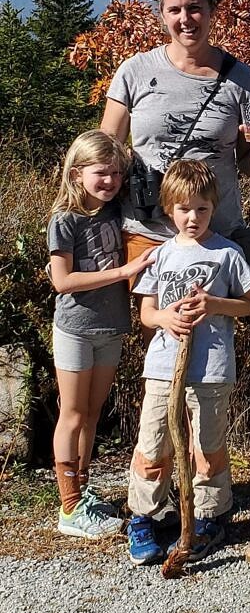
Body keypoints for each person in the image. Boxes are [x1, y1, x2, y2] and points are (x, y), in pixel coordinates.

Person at [100, 0, 250, 286]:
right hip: (147, 232)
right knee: (159, 337)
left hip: (215, 238)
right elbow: (106, 150)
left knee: (213, 336)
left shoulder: (240, 78)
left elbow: (247, 165)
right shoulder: (135, 72)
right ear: (162, 14)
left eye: (194, 8)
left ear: (212, 9)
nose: (185, 19)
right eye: (175, 10)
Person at [125, 160, 250, 566]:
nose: (193, 217)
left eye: (201, 209)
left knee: (207, 445)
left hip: (211, 367)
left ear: (212, 208)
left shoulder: (227, 254)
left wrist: (214, 304)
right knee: (154, 442)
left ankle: (208, 515)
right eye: (184, 209)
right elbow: (147, 312)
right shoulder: (160, 255)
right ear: (169, 209)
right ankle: (145, 515)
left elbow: (249, 305)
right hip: (165, 365)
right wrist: (166, 317)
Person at [48, 130, 155, 538]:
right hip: (75, 328)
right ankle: (69, 505)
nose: (109, 181)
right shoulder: (65, 219)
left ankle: (84, 490)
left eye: (115, 173)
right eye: (100, 173)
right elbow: (62, 280)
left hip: (111, 327)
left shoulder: (118, 213)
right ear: (77, 174)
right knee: (72, 414)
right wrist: (124, 272)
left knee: (92, 414)